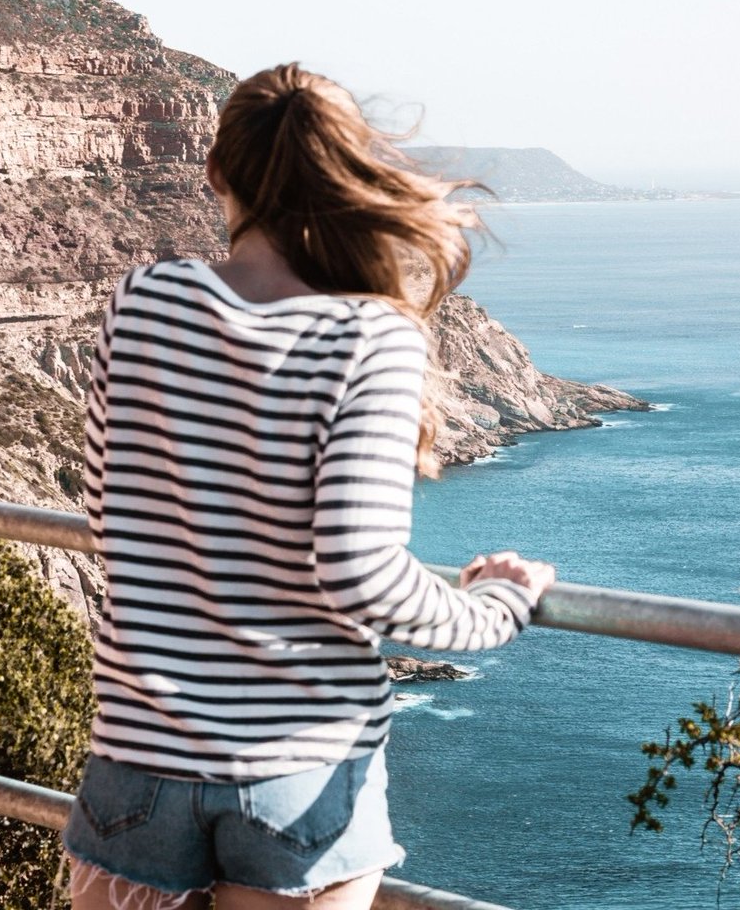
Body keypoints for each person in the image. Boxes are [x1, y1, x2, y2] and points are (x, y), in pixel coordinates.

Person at [62, 63, 556, 910]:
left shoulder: (139, 302)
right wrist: (496, 608)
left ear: (214, 172)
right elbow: (359, 573)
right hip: (298, 770)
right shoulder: (371, 337)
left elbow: (120, 515)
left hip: (136, 765)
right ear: (344, 177)